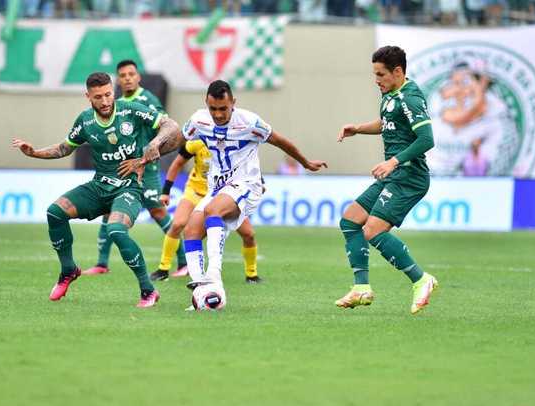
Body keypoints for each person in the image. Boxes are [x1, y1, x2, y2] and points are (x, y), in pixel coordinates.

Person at [120, 80, 327, 301]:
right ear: (206, 104)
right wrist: (145, 158)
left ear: (233, 103)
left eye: (223, 109)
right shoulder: (199, 120)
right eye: (213, 109)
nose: (218, 114)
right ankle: (201, 289)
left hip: (247, 185)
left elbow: (281, 141)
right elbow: (178, 141)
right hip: (217, 187)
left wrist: (305, 163)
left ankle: (214, 275)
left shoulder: (248, 122)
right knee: (191, 230)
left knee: (213, 212)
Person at [11, 72, 181, 308]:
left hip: (129, 187)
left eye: (108, 94)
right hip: (100, 184)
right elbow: (64, 148)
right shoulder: (85, 121)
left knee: (116, 230)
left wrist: (151, 147)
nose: (105, 101)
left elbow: (171, 126)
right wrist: (34, 152)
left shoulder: (130, 110)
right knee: (54, 213)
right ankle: (68, 270)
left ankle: (148, 290)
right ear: (88, 96)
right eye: (98, 97)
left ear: (114, 91)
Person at [334, 46, 438, 314]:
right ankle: (361, 289)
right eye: (374, 74)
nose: (376, 79)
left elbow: (427, 139)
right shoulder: (390, 94)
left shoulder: (411, 98)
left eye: (380, 74)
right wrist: (358, 128)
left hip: (409, 176)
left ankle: (422, 280)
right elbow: (386, 123)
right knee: (350, 220)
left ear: (398, 71)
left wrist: (393, 161)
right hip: (393, 174)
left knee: (372, 230)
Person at [83, 59, 186, 277]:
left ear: (138, 77)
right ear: (118, 80)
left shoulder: (147, 99)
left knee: (158, 211)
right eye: (123, 75)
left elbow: (166, 126)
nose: (127, 78)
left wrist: (151, 150)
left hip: (145, 167)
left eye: (131, 74)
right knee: (108, 210)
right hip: (122, 167)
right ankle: (101, 263)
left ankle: (184, 262)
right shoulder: (116, 103)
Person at [148, 139, 263, 284]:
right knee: (177, 224)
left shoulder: (233, 144)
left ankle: (251, 274)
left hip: (223, 196)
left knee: (249, 235)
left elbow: (248, 166)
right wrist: (166, 191)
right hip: (195, 192)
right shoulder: (196, 142)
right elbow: (177, 163)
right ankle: (163, 269)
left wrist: (260, 182)